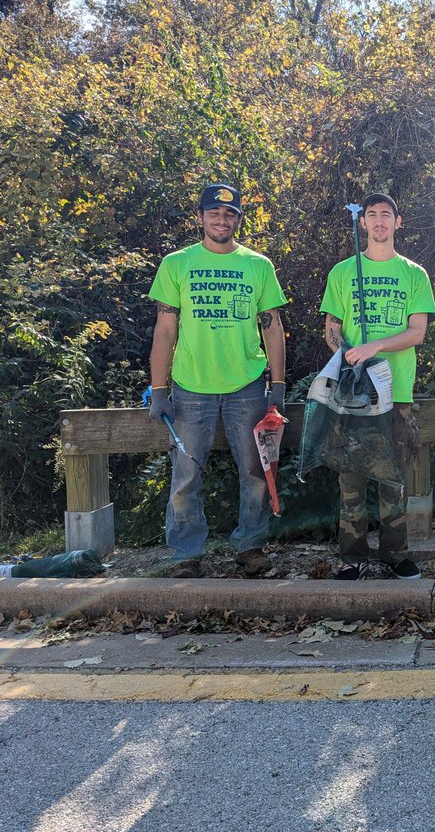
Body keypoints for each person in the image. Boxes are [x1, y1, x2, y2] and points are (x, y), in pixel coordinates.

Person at [148, 183, 287, 579]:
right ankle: (186, 554)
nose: (221, 219)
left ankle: (251, 546)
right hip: (190, 388)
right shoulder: (177, 263)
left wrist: (277, 385)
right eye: (214, 213)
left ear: (239, 219)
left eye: (229, 214)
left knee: (255, 470)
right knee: (186, 474)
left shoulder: (258, 266)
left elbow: (273, 328)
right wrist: (159, 389)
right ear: (200, 217)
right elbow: (164, 329)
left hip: (247, 387)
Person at [319, 192, 435, 581]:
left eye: (387, 214)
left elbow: (417, 332)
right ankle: (352, 556)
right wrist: (349, 353)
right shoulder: (341, 273)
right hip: (353, 393)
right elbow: (332, 331)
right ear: (363, 223)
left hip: (395, 392)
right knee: (350, 476)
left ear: (397, 223)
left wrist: (377, 346)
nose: (380, 221)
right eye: (373, 215)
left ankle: (395, 554)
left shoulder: (413, 274)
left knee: (393, 477)